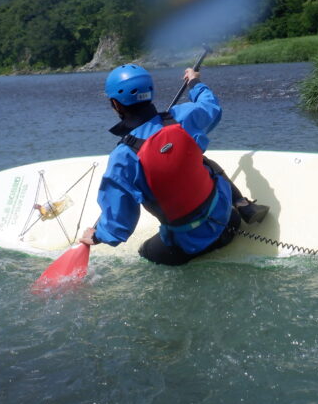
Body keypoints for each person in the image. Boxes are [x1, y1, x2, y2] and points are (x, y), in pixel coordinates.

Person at [79, 63, 269, 265]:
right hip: (229, 222)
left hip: (187, 247)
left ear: (116, 104)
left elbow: (120, 222)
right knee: (203, 161)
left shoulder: (123, 157)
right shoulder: (182, 117)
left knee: (145, 252)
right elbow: (211, 106)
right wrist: (195, 82)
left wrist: (98, 235)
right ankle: (242, 204)